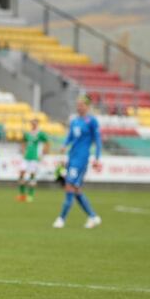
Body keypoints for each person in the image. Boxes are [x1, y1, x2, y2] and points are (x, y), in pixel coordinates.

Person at [53, 96, 102, 229]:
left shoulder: (92, 121)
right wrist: (64, 145)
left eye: (81, 105)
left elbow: (98, 140)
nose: (79, 107)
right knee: (76, 189)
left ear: (87, 106)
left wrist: (97, 158)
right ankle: (93, 216)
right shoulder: (75, 121)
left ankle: (61, 219)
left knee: (69, 186)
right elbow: (70, 136)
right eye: (78, 104)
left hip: (81, 158)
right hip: (72, 156)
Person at [16, 118, 48, 203]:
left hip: (35, 158)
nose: (33, 125)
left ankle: (30, 195)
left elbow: (47, 142)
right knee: (21, 173)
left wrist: (44, 153)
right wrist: (23, 150)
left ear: (37, 124)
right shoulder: (27, 134)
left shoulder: (40, 134)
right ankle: (22, 195)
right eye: (32, 123)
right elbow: (23, 142)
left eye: (35, 124)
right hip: (26, 157)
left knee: (32, 176)